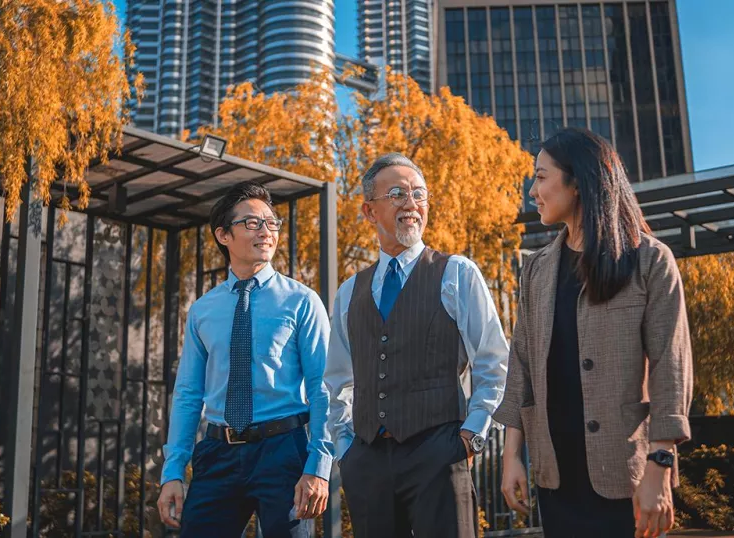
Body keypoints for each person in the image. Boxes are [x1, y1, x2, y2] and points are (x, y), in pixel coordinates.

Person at [494, 128, 693, 538]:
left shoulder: (649, 260)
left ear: (579, 182)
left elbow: (670, 367)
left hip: (628, 476)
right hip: (556, 477)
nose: (533, 190)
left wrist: (661, 462)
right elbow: (522, 366)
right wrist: (512, 456)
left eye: (541, 176)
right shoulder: (536, 269)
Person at [324, 153, 509, 538]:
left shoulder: (456, 272)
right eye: (396, 193)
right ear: (369, 211)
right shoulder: (348, 292)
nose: (411, 203)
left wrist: (471, 436)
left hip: (439, 454)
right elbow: (337, 382)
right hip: (367, 461)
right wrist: (346, 449)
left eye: (419, 194)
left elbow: (494, 362)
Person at [157, 181, 333, 538]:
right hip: (217, 453)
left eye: (271, 223)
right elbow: (189, 393)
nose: (266, 231)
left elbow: (324, 389)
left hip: (284, 451)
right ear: (224, 235)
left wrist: (319, 466)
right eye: (252, 223)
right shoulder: (203, 310)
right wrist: (173, 471)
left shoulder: (302, 302)